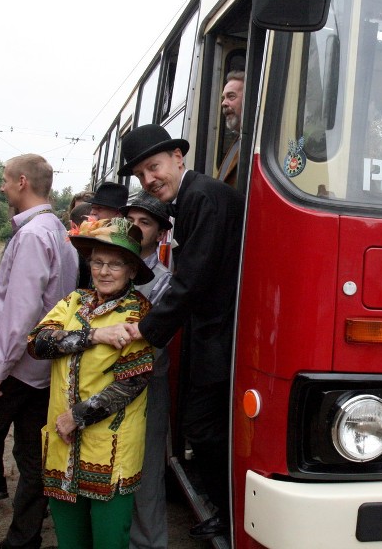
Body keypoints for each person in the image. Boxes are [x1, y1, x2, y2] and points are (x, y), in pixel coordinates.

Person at [119, 124, 244, 540]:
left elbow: (191, 281)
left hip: (220, 334)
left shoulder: (203, 197)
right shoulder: (193, 197)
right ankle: (226, 511)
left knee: (204, 427)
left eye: (153, 167)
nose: (149, 179)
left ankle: (230, 513)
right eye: (139, 175)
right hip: (211, 332)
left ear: (178, 157)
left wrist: (145, 330)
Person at [0, 153, 79, 549]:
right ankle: (23, 540)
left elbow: (20, 311)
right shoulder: (58, 232)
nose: (2, 187)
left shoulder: (31, 235)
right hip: (42, 372)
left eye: (5, 180)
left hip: (13, 370)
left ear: (22, 182)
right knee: (32, 459)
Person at [27, 217, 155, 549]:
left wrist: (77, 417)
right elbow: (38, 344)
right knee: (70, 541)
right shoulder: (74, 302)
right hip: (62, 449)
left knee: (109, 541)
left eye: (115, 264)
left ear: (131, 270)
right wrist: (95, 335)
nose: (104, 271)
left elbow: (131, 382)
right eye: (97, 261)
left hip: (110, 452)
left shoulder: (138, 313)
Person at [119, 192, 173, 548]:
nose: (137, 229)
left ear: (159, 233)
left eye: (146, 222)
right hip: (103, 382)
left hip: (147, 382)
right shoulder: (108, 265)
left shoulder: (165, 279)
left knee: (147, 468)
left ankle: (148, 543)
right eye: (132, 221)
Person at [216, 70, 244, 187]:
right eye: (223, 98)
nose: (224, 103)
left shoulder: (258, 143)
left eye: (231, 96)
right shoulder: (238, 141)